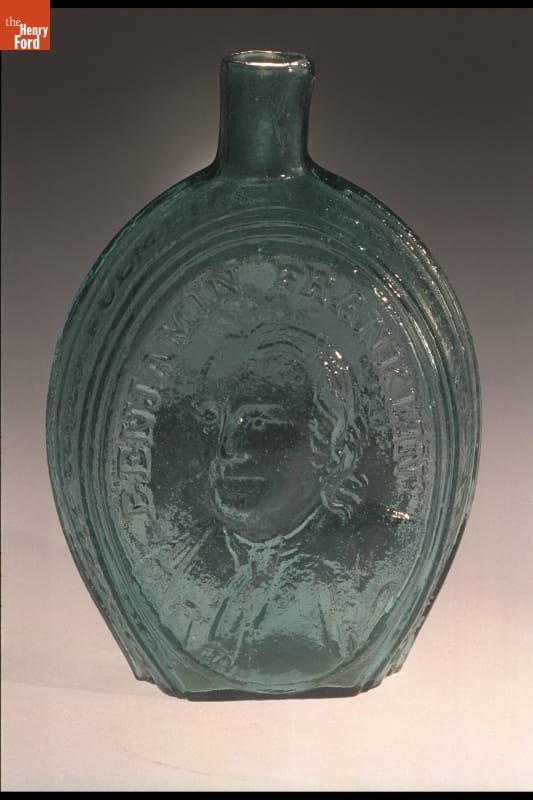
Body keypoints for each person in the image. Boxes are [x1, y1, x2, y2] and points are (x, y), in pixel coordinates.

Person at [145, 323, 400, 686]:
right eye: (211, 419)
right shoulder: (176, 563)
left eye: (258, 421)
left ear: (330, 441)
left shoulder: (380, 557)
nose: (225, 448)